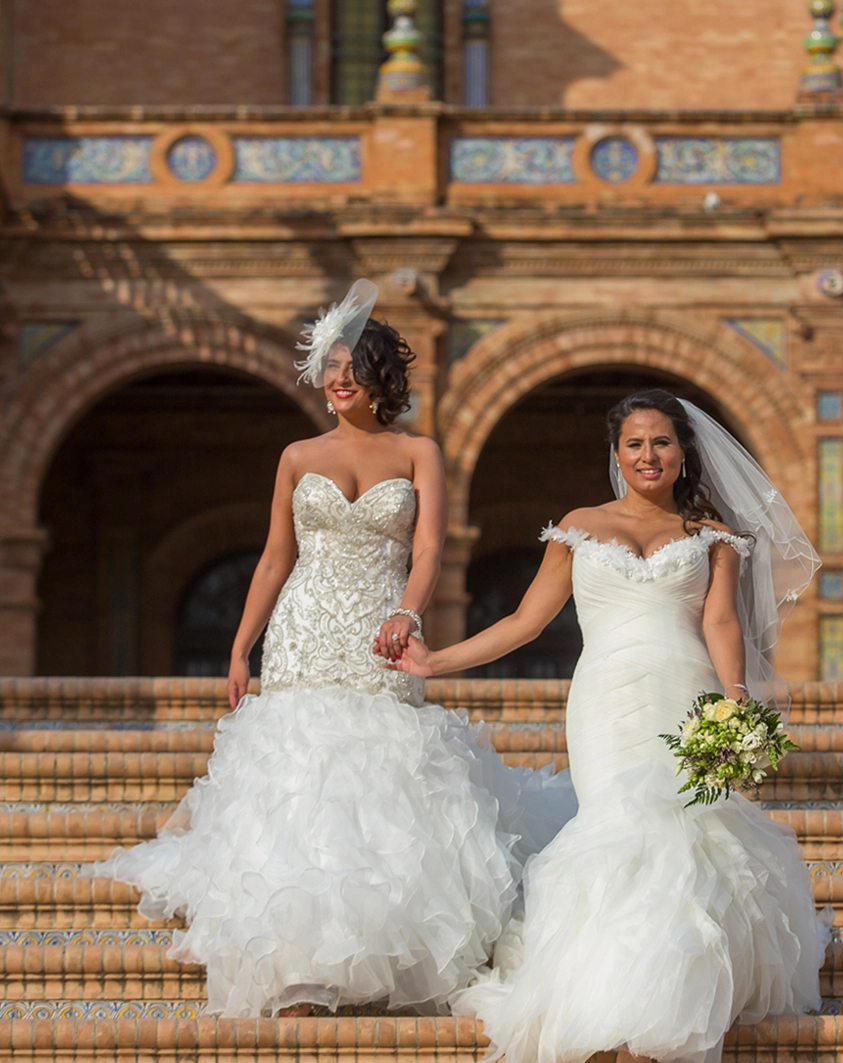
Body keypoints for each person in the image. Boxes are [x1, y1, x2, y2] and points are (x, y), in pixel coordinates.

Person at [93, 280, 573, 1019]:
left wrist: (409, 614)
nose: (337, 378)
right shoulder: (294, 454)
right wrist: (240, 645)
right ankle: (298, 967)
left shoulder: (419, 452)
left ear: (380, 374)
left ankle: (376, 946)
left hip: (379, 628)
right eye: (329, 366)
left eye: (350, 365)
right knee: (301, 772)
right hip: (304, 626)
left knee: (379, 773)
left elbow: (430, 548)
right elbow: (272, 558)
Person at [386, 389, 832, 1063]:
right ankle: (608, 1001)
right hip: (603, 702)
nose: (647, 455)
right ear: (616, 453)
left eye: (660, 442)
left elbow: (720, 622)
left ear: (683, 453)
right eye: (634, 443)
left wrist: (736, 704)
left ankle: (660, 1007)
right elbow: (524, 622)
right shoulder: (579, 525)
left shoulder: (711, 534)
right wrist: (435, 657)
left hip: (685, 695)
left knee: (680, 842)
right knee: (613, 835)